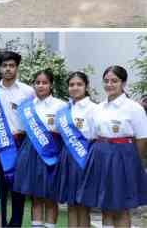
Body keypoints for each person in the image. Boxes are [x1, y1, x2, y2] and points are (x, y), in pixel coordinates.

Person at [77, 65, 147, 227]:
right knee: (105, 205)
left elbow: (143, 139)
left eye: (114, 81)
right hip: (100, 154)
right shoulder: (99, 108)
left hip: (124, 157)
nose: (109, 84)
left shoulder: (134, 108)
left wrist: (133, 163)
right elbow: (92, 135)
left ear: (123, 83)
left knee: (121, 207)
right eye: (106, 81)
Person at [12, 69, 67, 228]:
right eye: (38, 82)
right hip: (31, 150)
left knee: (51, 196)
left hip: (52, 151)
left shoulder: (61, 105)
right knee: (35, 196)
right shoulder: (26, 107)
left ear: (51, 85)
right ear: (33, 85)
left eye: (45, 82)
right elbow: (22, 129)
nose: (41, 86)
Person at [0, 51, 34, 228]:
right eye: (5, 65)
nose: (8, 69)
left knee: (18, 189)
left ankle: (16, 225)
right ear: (0, 68)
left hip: (21, 143)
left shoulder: (28, 91)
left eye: (11, 65)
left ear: (17, 68)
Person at [52, 71, 97, 228]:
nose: (75, 87)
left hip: (85, 157)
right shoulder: (65, 109)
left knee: (83, 204)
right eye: (71, 85)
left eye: (79, 84)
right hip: (67, 156)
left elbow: (95, 134)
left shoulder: (93, 108)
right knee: (71, 203)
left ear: (86, 86)